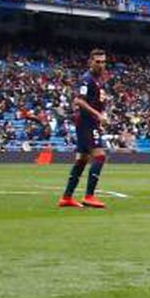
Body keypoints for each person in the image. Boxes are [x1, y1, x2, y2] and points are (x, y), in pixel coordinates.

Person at [59, 49, 111, 209]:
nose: (101, 65)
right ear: (90, 62)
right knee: (100, 156)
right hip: (87, 123)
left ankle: (66, 197)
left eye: (103, 62)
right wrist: (98, 115)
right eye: (98, 62)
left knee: (82, 160)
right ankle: (89, 196)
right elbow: (79, 101)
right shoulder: (87, 79)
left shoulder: (98, 79)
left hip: (89, 123)